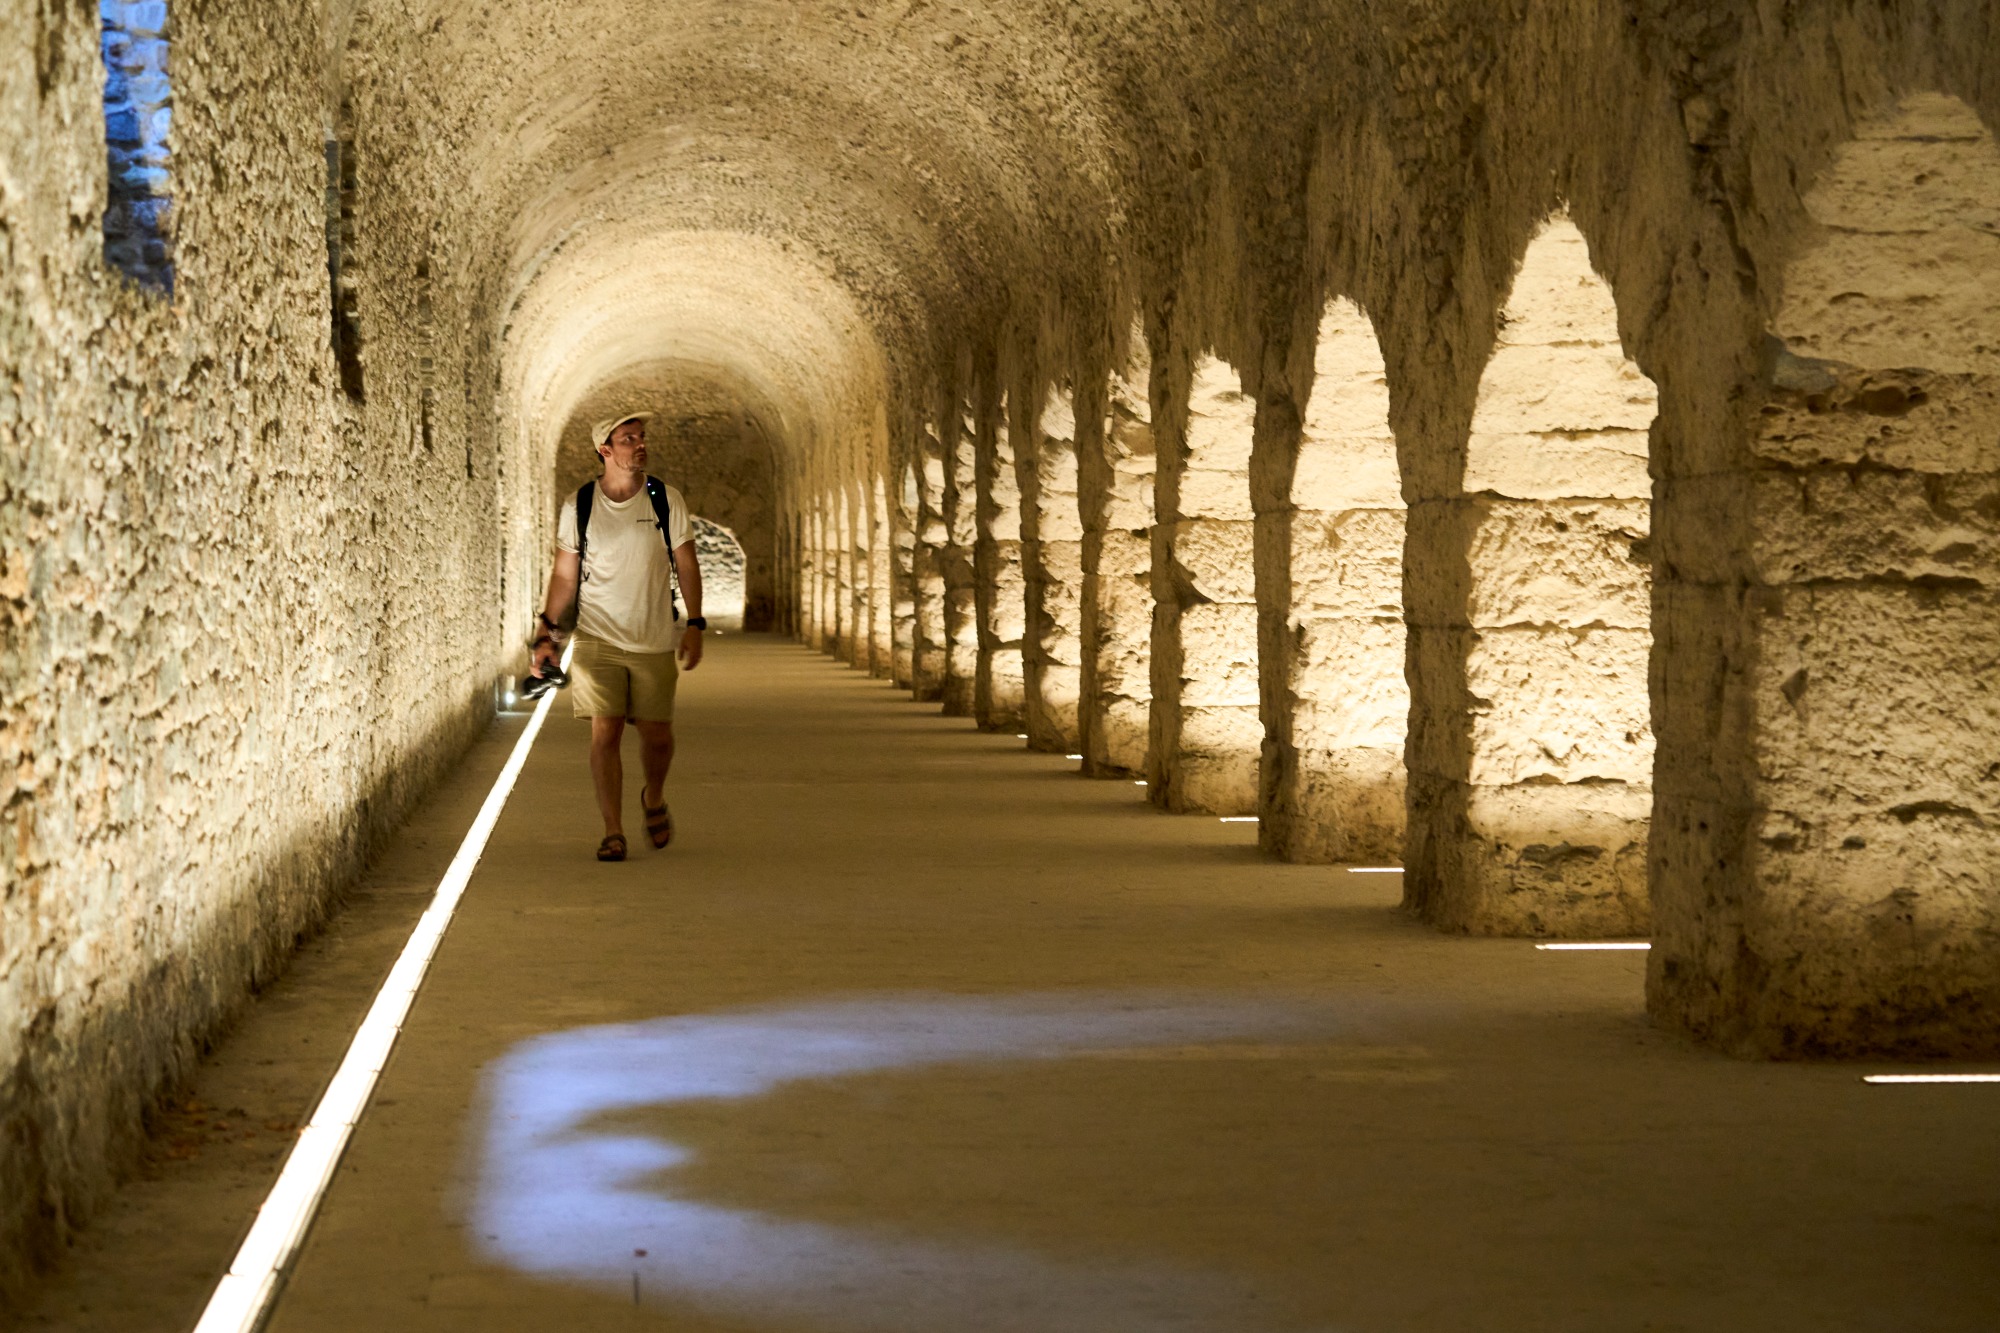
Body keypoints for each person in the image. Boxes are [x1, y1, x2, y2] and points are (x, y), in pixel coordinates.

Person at [531, 412, 706, 862]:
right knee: (603, 733)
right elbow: (564, 574)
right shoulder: (581, 504)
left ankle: (653, 797)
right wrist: (545, 632)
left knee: (657, 736)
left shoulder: (663, 498)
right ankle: (613, 830)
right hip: (597, 636)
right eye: (628, 438)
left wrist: (696, 623)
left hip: (651, 636)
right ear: (605, 450)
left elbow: (685, 563)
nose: (639, 444)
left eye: (642, 437)